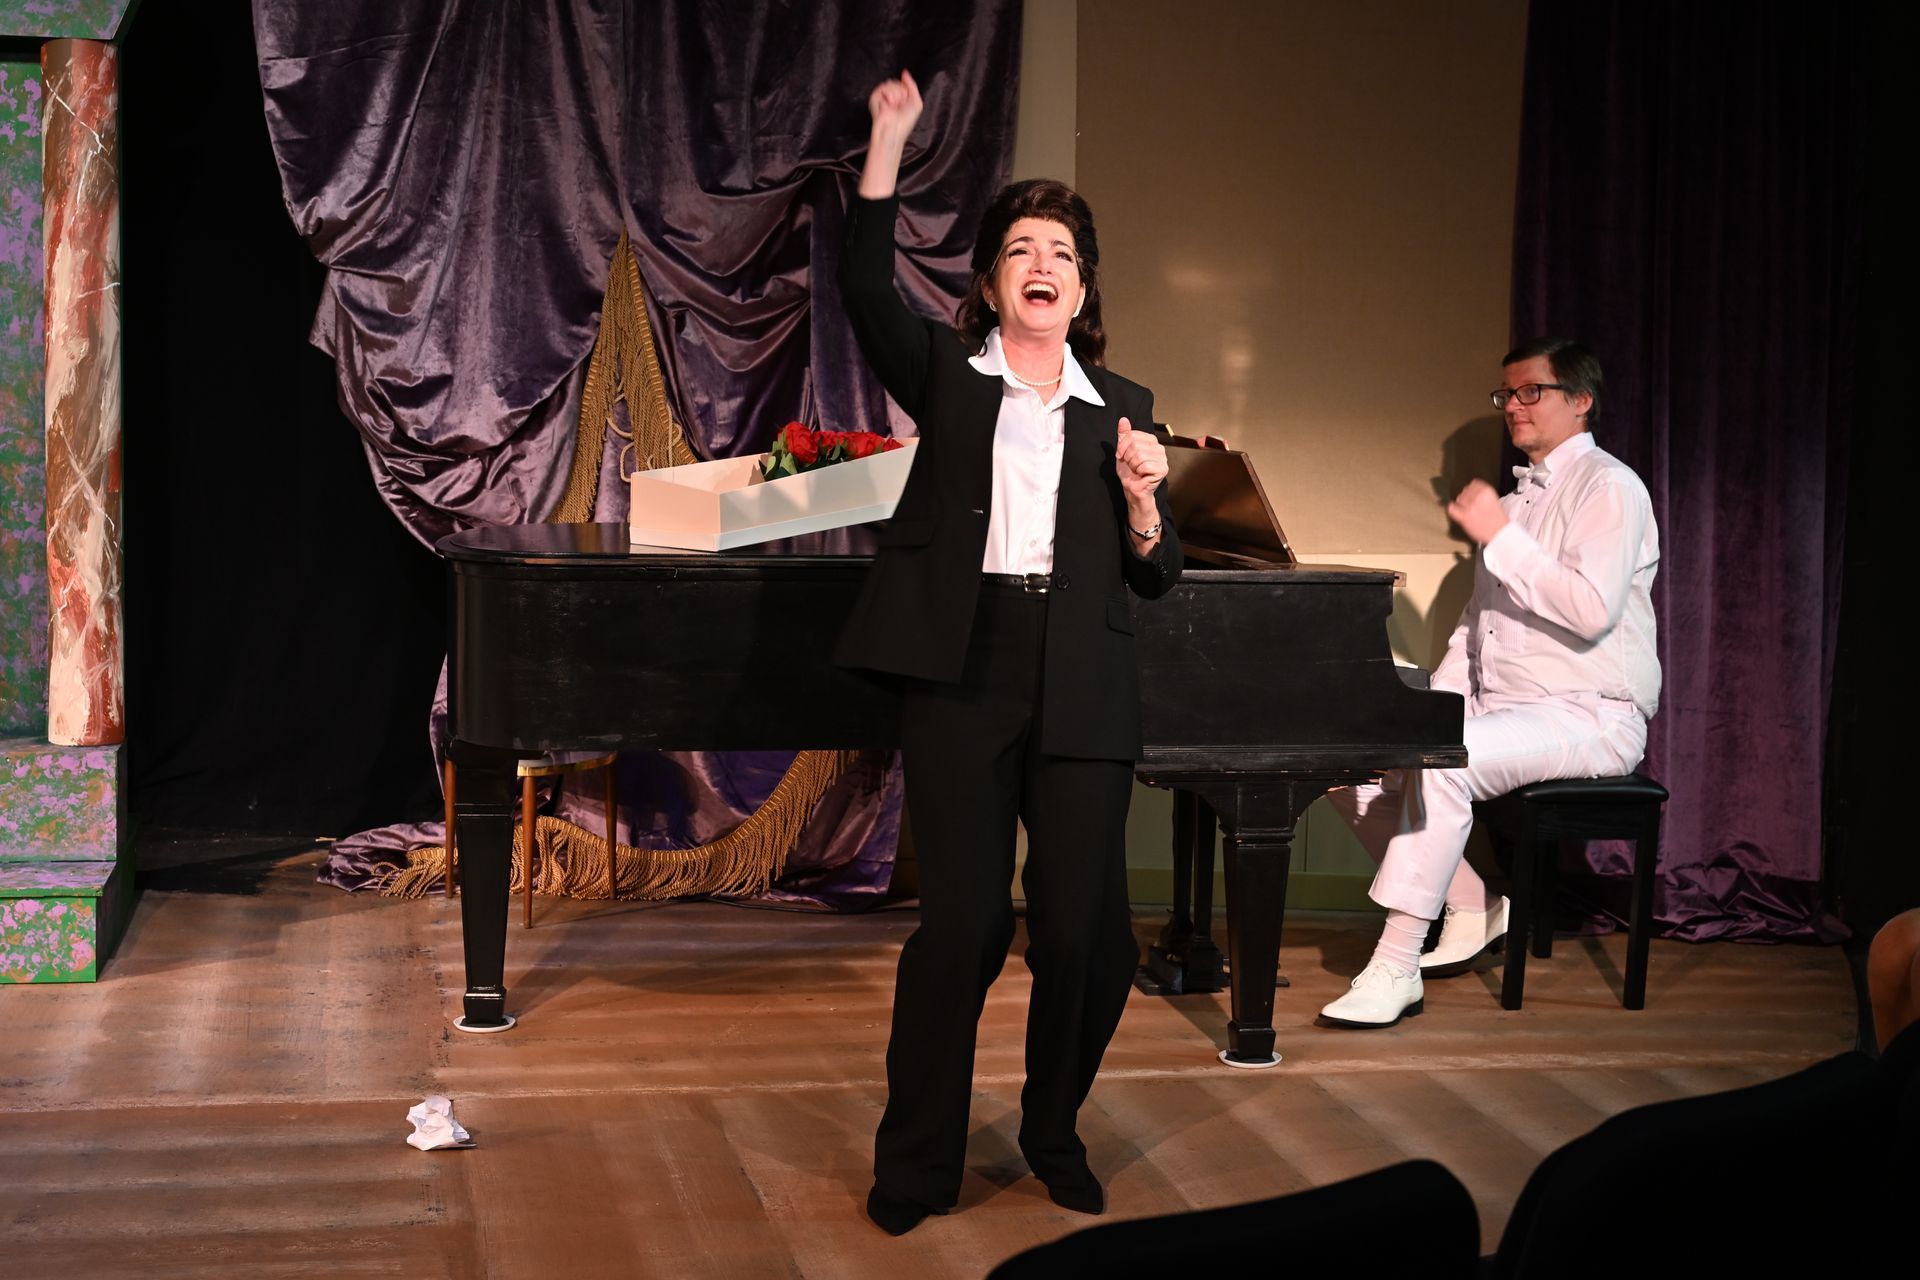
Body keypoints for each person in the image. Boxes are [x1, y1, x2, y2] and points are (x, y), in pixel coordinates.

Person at [832, 71, 1182, 1234]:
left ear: (1082, 291)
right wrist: (888, 141)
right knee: (967, 925)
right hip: (967, 665)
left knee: (1088, 936)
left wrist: (1143, 502)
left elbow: (1156, 563)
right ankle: (918, 1160)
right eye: (1022, 247)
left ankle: (1052, 1126)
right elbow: (863, 282)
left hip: (1084, 674)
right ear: (991, 281)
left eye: (1064, 253)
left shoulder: (1123, 403)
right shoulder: (949, 376)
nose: (1044, 263)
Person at [1321, 339, 1659, 1027]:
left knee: (1445, 762)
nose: (1513, 407)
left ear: (1581, 400)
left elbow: (1591, 611)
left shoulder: (1610, 487)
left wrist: (1499, 536)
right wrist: (1431, 709)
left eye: (1531, 392)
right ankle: (1472, 906)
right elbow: (1476, 632)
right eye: (1507, 395)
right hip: (1508, 714)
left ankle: (1395, 963)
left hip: (1590, 715)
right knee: (1346, 764)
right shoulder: (1512, 504)